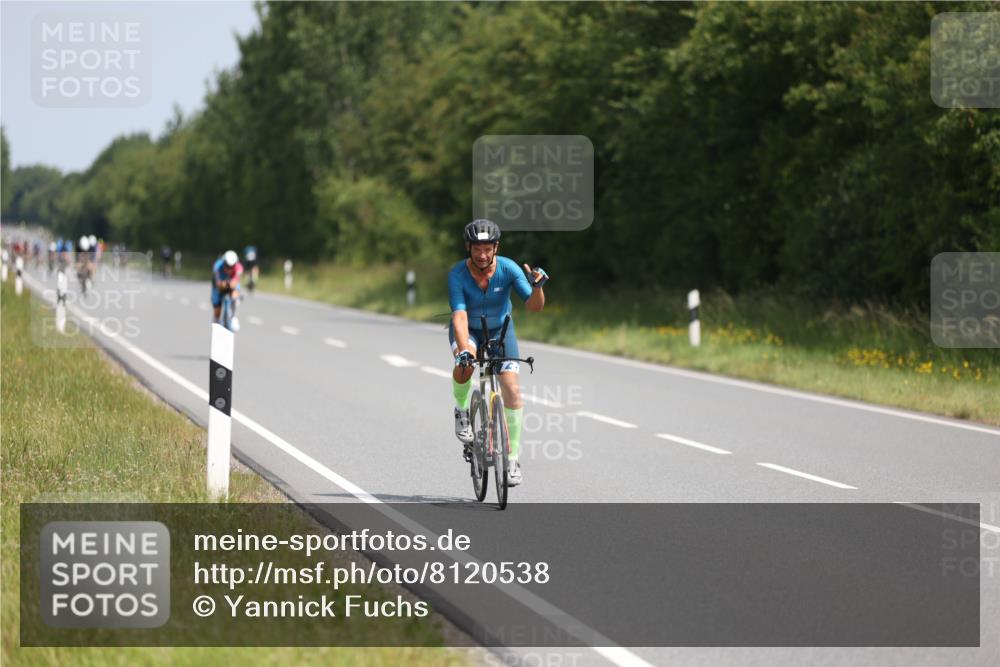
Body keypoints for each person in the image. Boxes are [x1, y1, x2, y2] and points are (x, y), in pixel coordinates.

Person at [448, 219, 548, 486]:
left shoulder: (509, 268)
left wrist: (537, 287)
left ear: (496, 248)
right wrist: (463, 351)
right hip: (468, 329)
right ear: (468, 248)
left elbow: (535, 307)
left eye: (487, 248)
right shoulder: (458, 274)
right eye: (477, 249)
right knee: (466, 361)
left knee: (512, 390)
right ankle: (461, 411)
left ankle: (512, 460)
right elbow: (459, 316)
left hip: (501, 332)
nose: (482, 254)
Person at [211, 250, 243, 330]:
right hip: (219, 284)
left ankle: (234, 317)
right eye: (227, 266)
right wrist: (222, 285)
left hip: (231, 281)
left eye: (231, 267)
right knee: (217, 308)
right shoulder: (217, 266)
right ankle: (216, 321)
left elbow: (236, 280)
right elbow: (218, 283)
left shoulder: (239, 268)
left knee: (236, 293)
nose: (229, 269)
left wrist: (232, 284)